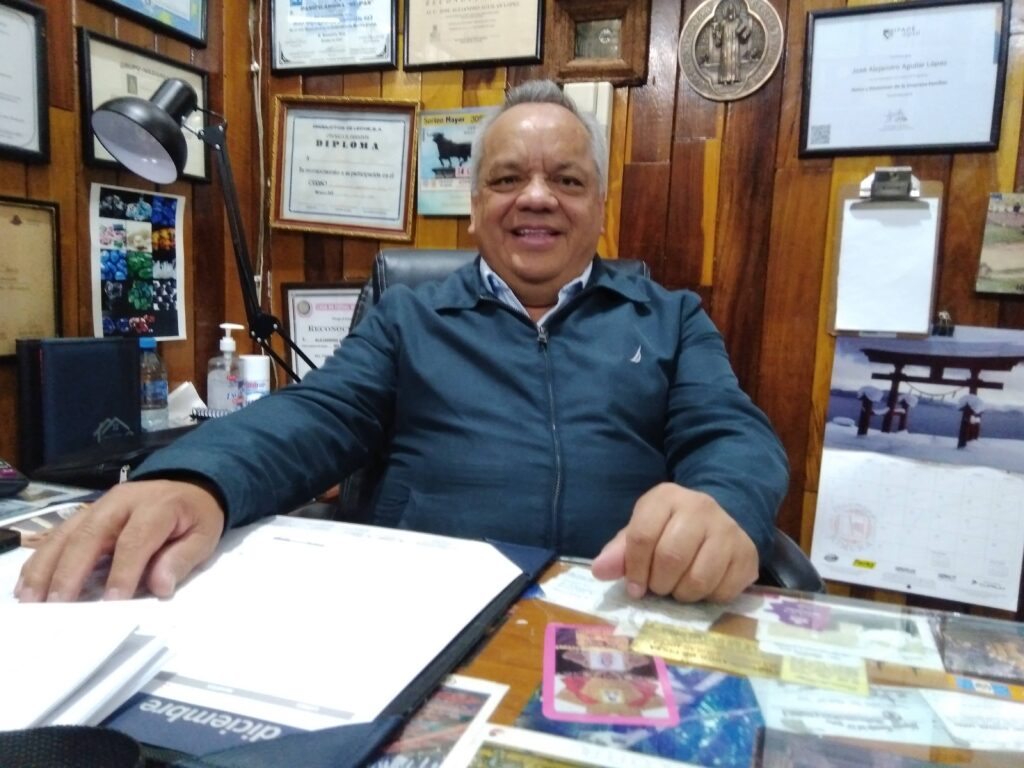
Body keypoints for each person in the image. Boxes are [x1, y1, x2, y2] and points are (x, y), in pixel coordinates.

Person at [16, 79, 787, 606]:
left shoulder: (668, 317)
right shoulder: (408, 319)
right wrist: (196, 479)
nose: (537, 198)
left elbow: (732, 434)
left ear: (599, 206)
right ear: (474, 205)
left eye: (568, 180)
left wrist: (723, 504)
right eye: (507, 179)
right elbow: (314, 416)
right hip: (424, 614)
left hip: (614, 605)